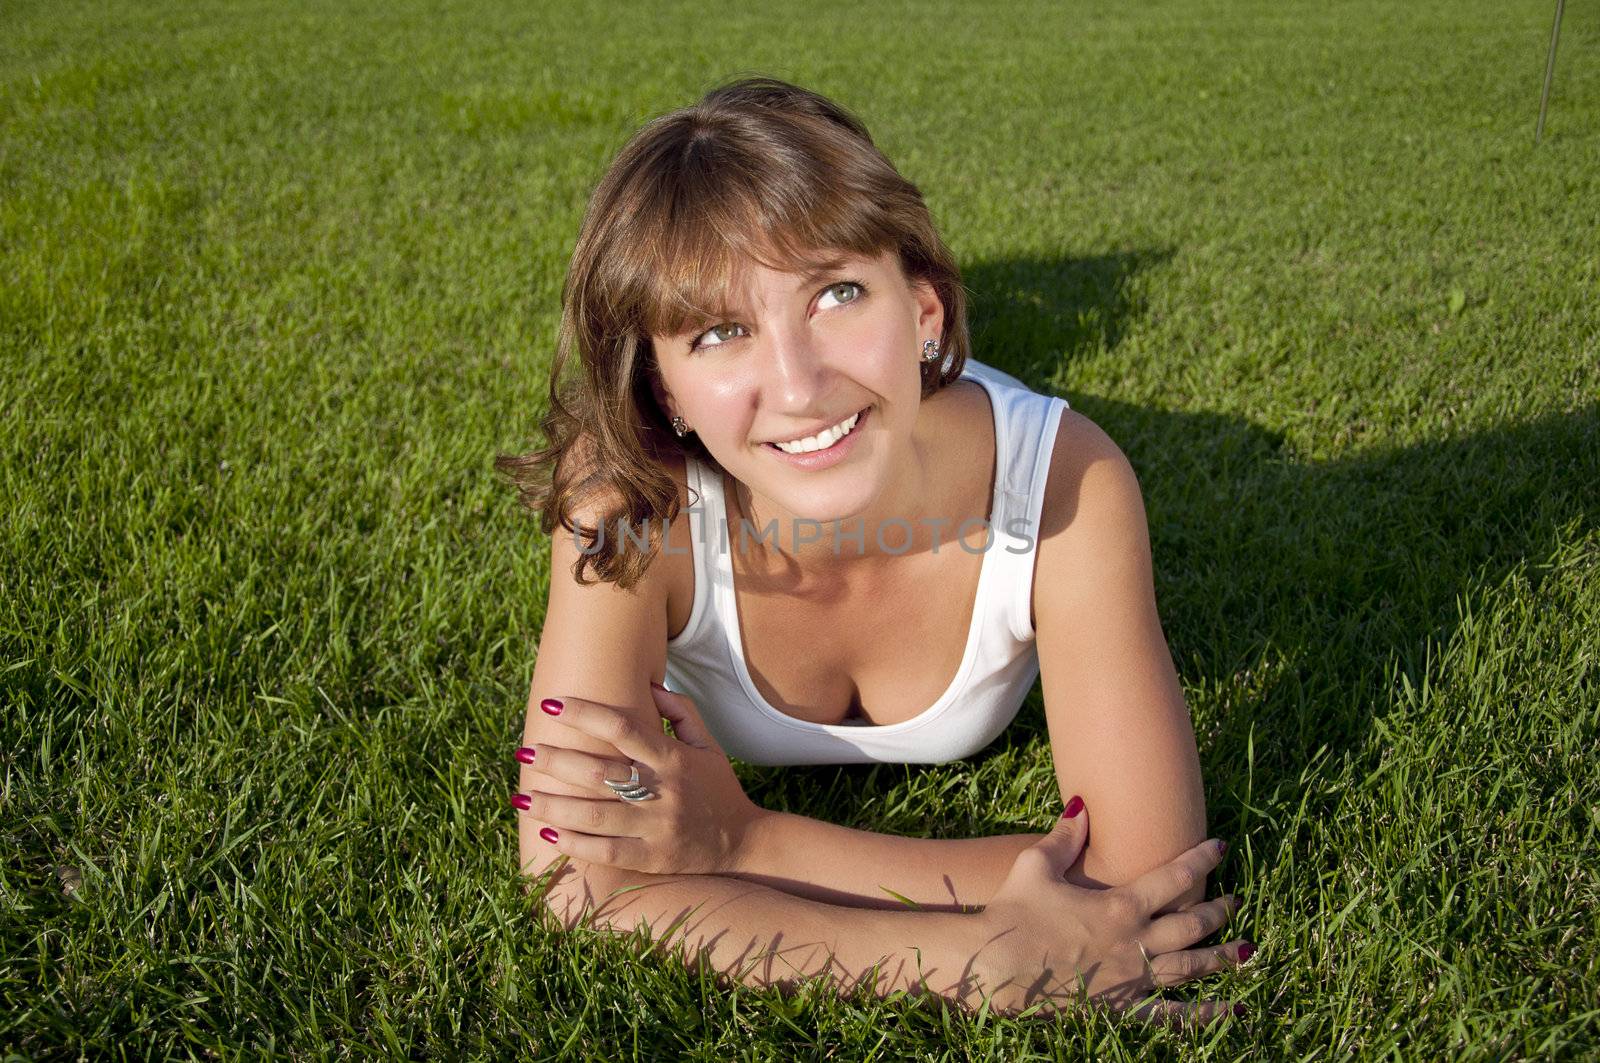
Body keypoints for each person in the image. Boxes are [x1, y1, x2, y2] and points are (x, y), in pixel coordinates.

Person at [498, 76, 1251, 1022]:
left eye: (838, 293)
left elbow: (1144, 877)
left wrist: (743, 843)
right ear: (663, 392)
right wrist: (977, 957)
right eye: (722, 331)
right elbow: (571, 875)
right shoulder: (624, 501)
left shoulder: (1066, 484)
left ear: (925, 310)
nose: (799, 382)